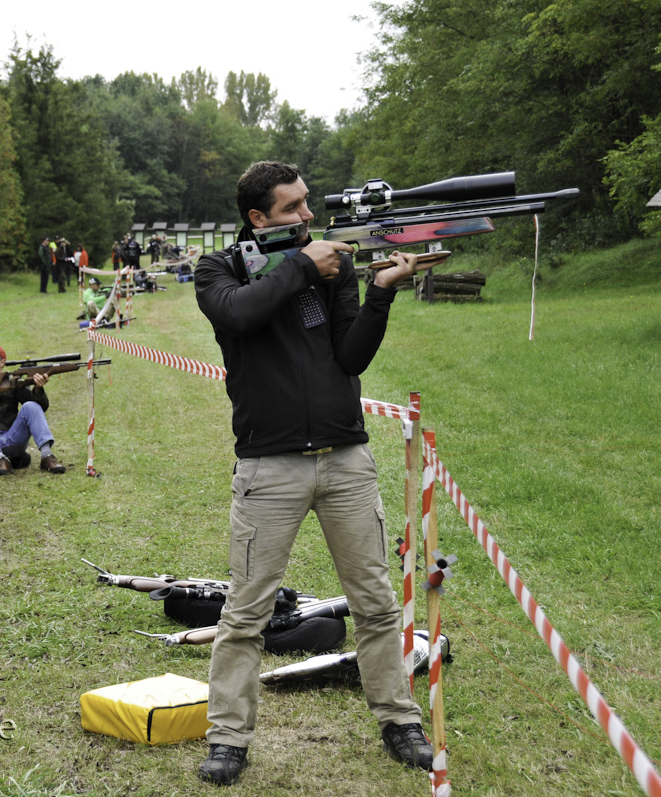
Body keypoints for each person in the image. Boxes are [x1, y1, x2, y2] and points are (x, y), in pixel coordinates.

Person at [192, 161, 427, 785]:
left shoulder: (332, 267)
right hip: (268, 465)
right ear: (257, 217)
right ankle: (229, 737)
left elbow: (351, 355)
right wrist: (302, 265)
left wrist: (378, 293)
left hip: (346, 457)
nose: (307, 217)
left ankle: (398, 719)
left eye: (307, 205)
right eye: (292, 208)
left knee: (376, 603)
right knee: (245, 614)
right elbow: (239, 316)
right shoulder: (217, 269)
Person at [0, 345, 65, 476]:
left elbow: (39, 408)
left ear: (3, 363)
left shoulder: (13, 382)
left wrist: (38, 389)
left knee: (31, 406)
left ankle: (47, 456)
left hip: (11, 438)